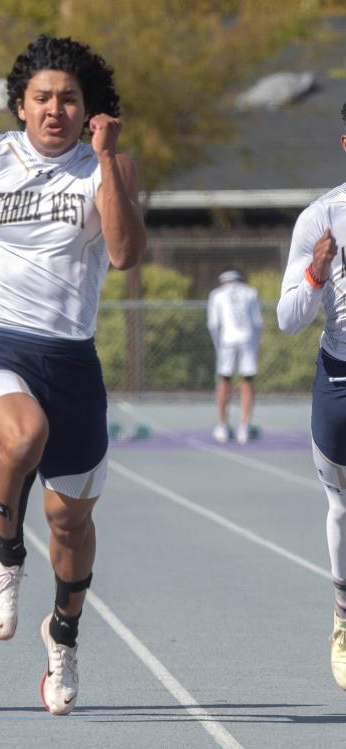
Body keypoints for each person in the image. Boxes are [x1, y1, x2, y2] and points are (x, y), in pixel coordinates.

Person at [0, 35, 145, 715]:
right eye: (42, 97)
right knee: (21, 437)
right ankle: (6, 558)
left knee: (69, 524)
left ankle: (64, 634)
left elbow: (128, 254)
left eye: (69, 99)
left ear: (89, 110)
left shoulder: (110, 166)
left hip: (72, 361)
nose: (55, 109)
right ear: (20, 105)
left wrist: (103, 162)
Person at [277, 101, 346, 691]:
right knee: (344, 508)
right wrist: (316, 273)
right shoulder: (319, 219)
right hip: (341, 380)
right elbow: (287, 319)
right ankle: (345, 618)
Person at [206, 269, 263, 444]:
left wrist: (218, 345)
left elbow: (213, 324)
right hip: (247, 339)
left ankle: (222, 426)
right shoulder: (250, 292)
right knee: (247, 380)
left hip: (226, 340)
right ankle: (244, 428)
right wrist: (254, 344)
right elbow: (258, 323)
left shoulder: (216, 294)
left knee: (224, 379)